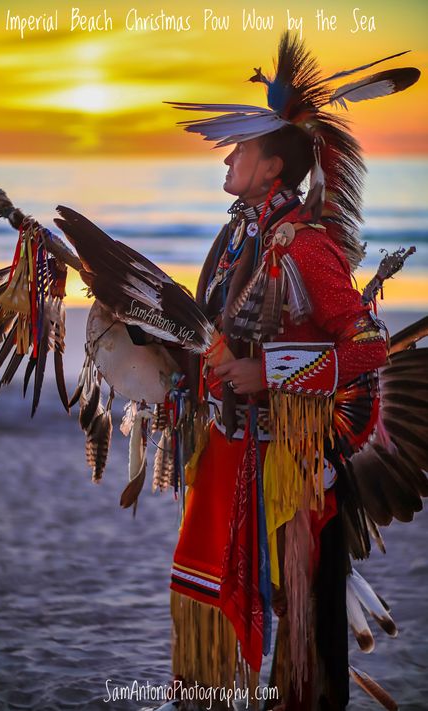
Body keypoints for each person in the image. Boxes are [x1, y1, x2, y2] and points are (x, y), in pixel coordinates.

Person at [161, 33, 421, 710]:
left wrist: (271, 372)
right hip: (227, 453)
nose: (227, 156)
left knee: (303, 632)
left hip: (292, 465)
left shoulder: (306, 247)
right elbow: (215, 337)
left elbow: (367, 345)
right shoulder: (234, 237)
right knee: (207, 602)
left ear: (273, 166)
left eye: (240, 148)